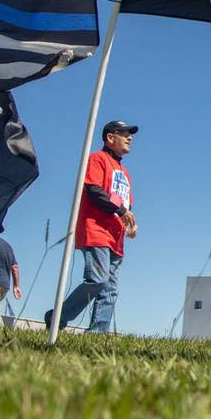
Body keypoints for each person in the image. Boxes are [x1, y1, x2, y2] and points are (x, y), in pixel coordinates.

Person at [47, 120, 138, 333]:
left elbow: (127, 203)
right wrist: (123, 212)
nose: (130, 138)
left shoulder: (124, 173)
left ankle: (98, 333)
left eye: (130, 134)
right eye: (124, 133)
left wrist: (131, 222)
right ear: (110, 137)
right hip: (96, 229)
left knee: (111, 288)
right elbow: (95, 191)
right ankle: (57, 316)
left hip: (116, 236)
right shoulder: (97, 159)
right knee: (98, 280)